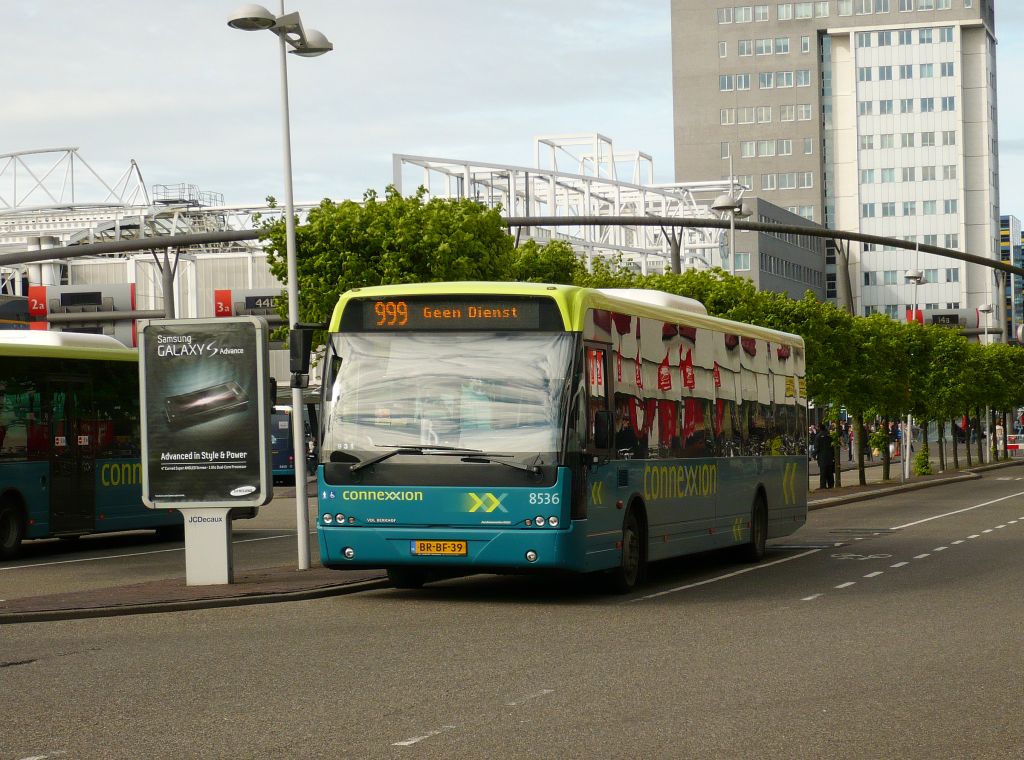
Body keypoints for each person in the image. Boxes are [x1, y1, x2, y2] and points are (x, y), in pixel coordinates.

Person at [815, 423, 835, 489]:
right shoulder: (829, 435)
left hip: (822, 457)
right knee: (830, 471)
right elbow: (832, 446)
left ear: (819, 428)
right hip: (830, 456)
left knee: (823, 472)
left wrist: (813, 454)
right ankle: (831, 485)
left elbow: (817, 448)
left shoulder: (818, 436)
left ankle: (823, 486)